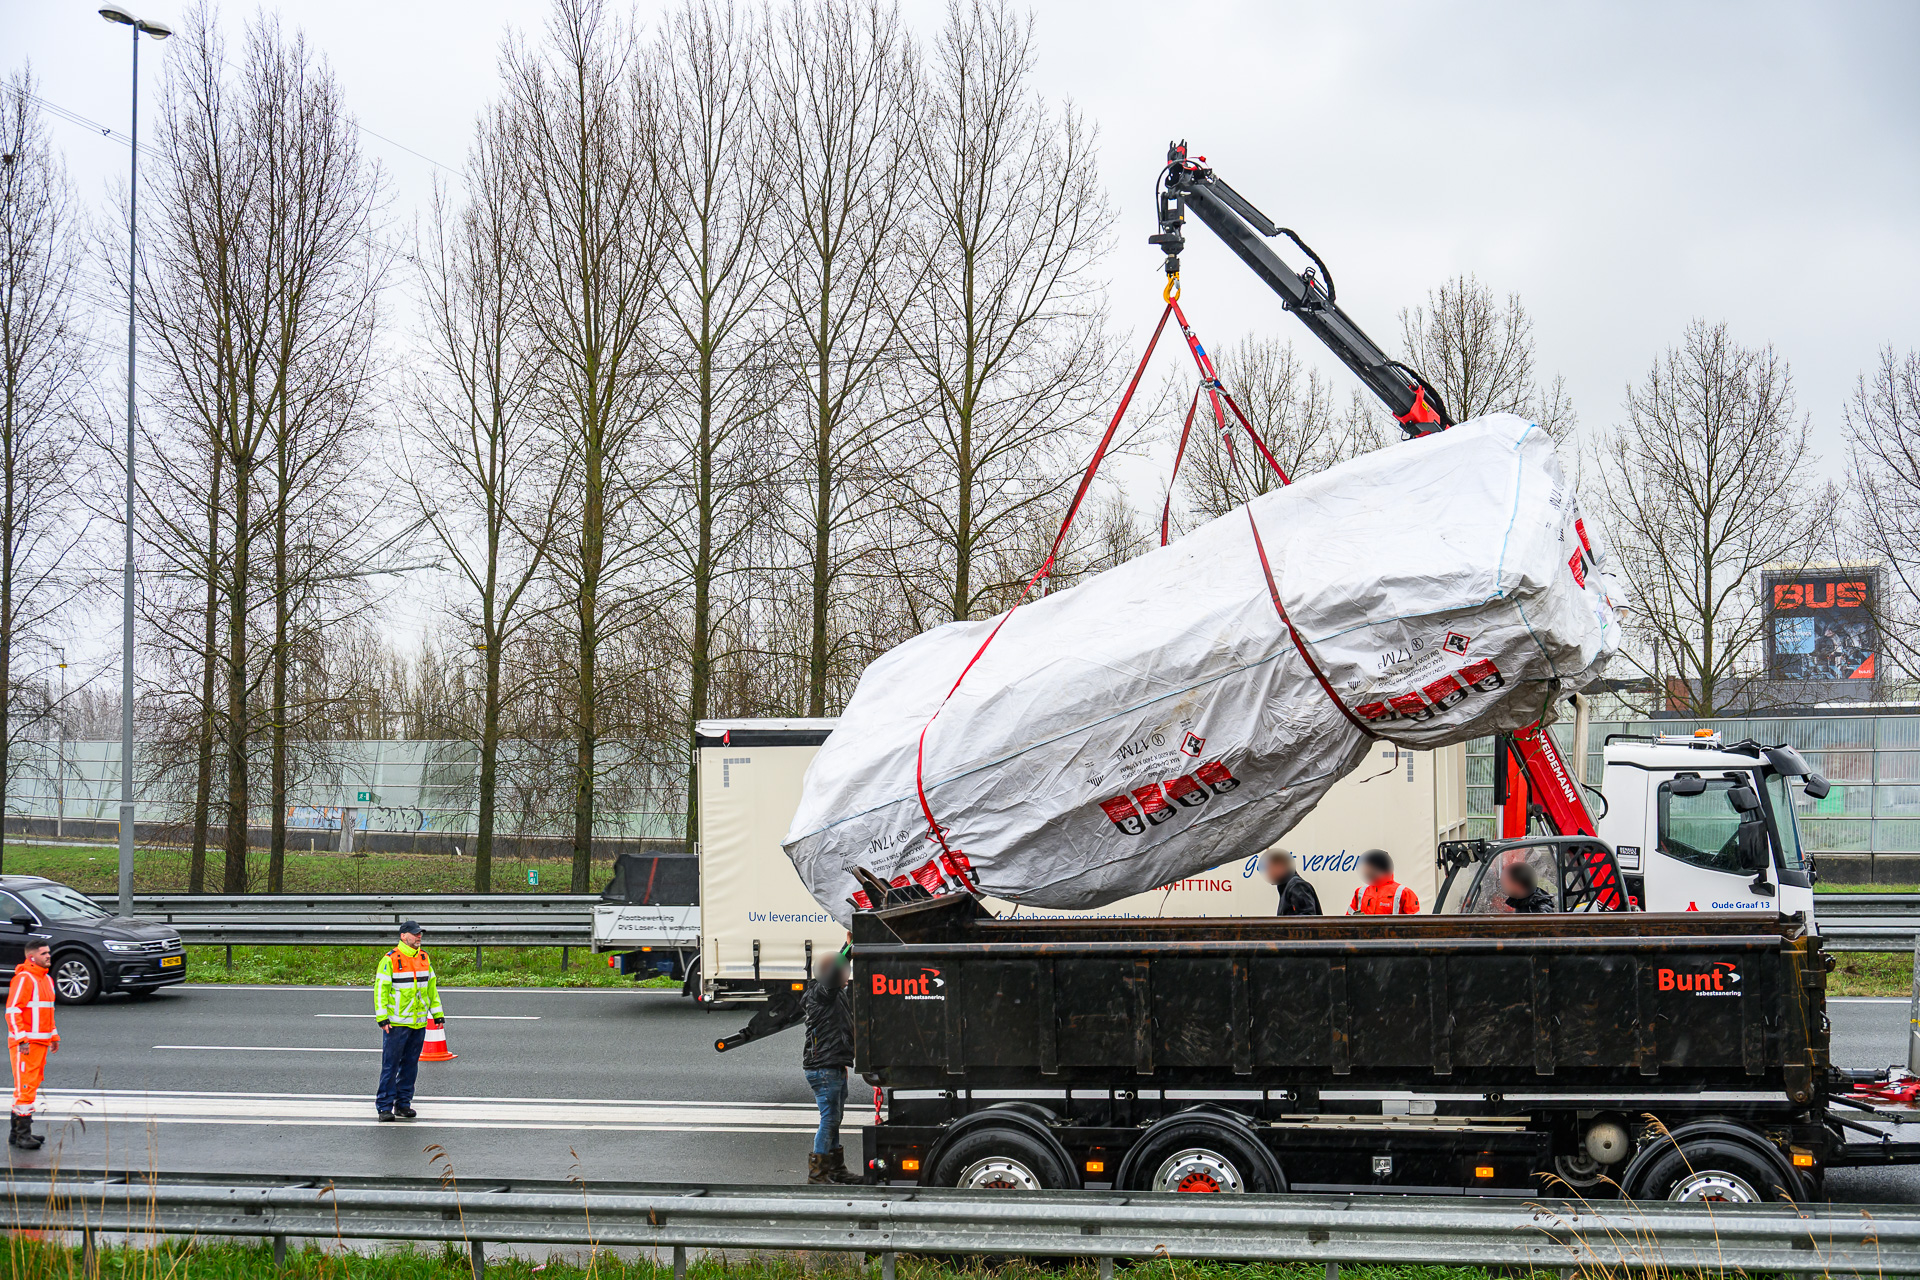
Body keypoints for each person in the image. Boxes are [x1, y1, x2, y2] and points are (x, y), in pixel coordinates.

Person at [374, 920, 444, 1122]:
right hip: (396, 1024)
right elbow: (381, 990)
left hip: (419, 1023)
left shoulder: (423, 957)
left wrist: (437, 1014)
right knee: (391, 1065)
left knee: (410, 1065)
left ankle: (403, 1104)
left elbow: (431, 990)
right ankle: (384, 1107)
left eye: (420, 933)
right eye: (415, 934)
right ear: (403, 936)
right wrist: (382, 1018)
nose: (419, 937)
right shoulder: (390, 960)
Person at [802, 948, 857, 1184]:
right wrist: (848, 951)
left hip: (833, 1064)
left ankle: (836, 1170)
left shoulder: (833, 994)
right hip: (823, 1067)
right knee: (830, 1118)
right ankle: (818, 1175)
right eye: (844, 971)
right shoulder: (822, 993)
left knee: (835, 1117)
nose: (846, 976)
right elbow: (834, 970)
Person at [7, 935, 56, 1150]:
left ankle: (16, 1134)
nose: (48, 956)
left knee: (28, 1087)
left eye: (48, 952)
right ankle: (22, 1135)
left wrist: (53, 1036)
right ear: (32, 957)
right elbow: (12, 1011)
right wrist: (22, 1039)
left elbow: (48, 1012)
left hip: (40, 1043)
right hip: (26, 1044)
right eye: (44, 953)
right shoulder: (25, 978)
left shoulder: (46, 979)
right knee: (25, 1088)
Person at [1346, 849, 1419, 915]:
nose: (1364, 870)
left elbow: (1416, 925)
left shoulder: (1404, 893)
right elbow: (1347, 922)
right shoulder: (1360, 892)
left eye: (1367, 866)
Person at [1262, 849, 1322, 916]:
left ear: (1280, 867)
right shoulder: (1287, 887)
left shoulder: (1297, 886)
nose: (1268, 873)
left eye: (1269, 868)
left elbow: (1307, 919)